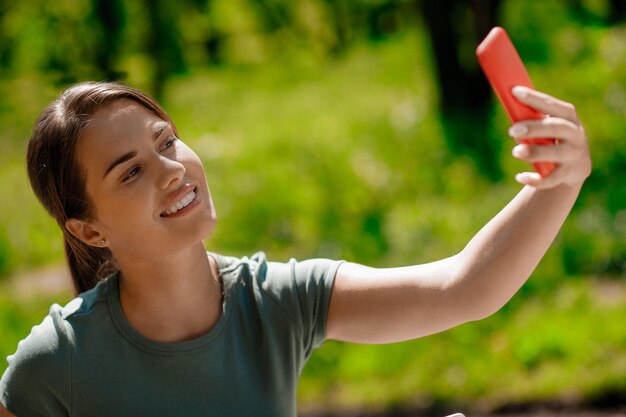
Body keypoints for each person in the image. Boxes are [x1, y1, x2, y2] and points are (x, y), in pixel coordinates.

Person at [0, 81, 590, 417]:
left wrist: (561, 182)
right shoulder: (54, 366)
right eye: (130, 173)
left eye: (168, 142)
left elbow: (463, 288)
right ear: (88, 230)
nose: (171, 171)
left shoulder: (279, 301)